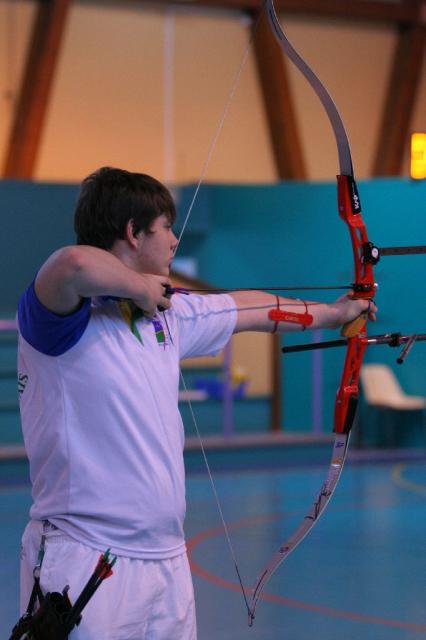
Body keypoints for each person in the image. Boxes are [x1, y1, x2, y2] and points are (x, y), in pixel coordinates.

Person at [16, 167, 375, 639]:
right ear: (133, 232)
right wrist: (140, 287)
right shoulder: (60, 318)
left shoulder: (167, 313)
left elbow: (251, 308)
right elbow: (71, 264)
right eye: (165, 227)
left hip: (166, 559)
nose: (173, 241)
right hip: (84, 556)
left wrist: (333, 313)